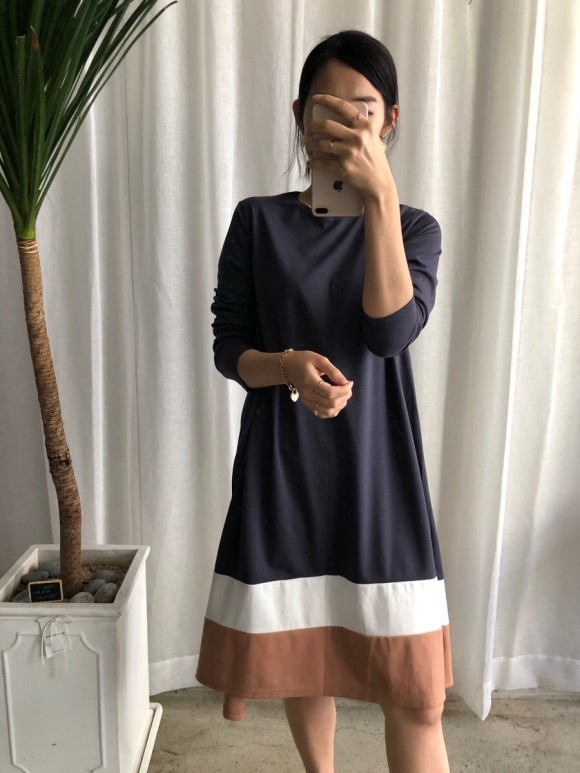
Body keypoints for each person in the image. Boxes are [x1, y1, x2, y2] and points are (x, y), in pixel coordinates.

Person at [196, 29, 452, 773]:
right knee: (306, 660)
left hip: (381, 469)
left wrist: (380, 199)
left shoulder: (415, 228)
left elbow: (389, 330)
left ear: (390, 121)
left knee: (417, 695)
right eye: (325, 108)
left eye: (361, 110)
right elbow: (229, 347)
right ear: (298, 115)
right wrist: (288, 366)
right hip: (286, 467)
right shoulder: (259, 220)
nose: (341, 125)